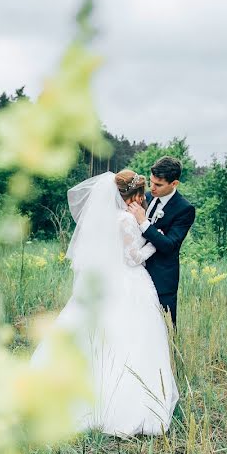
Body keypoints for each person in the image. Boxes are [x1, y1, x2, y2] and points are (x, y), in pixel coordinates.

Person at [30, 169, 179, 437]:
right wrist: (153, 243)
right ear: (132, 194)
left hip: (101, 284)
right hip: (128, 283)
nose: (143, 198)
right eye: (140, 194)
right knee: (131, 339)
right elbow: (133, 258)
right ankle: (121, 404)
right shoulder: (124, 218)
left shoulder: (98, 218)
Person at [126, 156, 196, 328]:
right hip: (134, 274)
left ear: (174, 184)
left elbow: (169, 246)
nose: (152, 188)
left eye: (158, 184)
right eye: (151, 182)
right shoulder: (145, 197)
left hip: (162, 278)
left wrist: (143, 222)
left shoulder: (184, 209)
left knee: (164, 330)